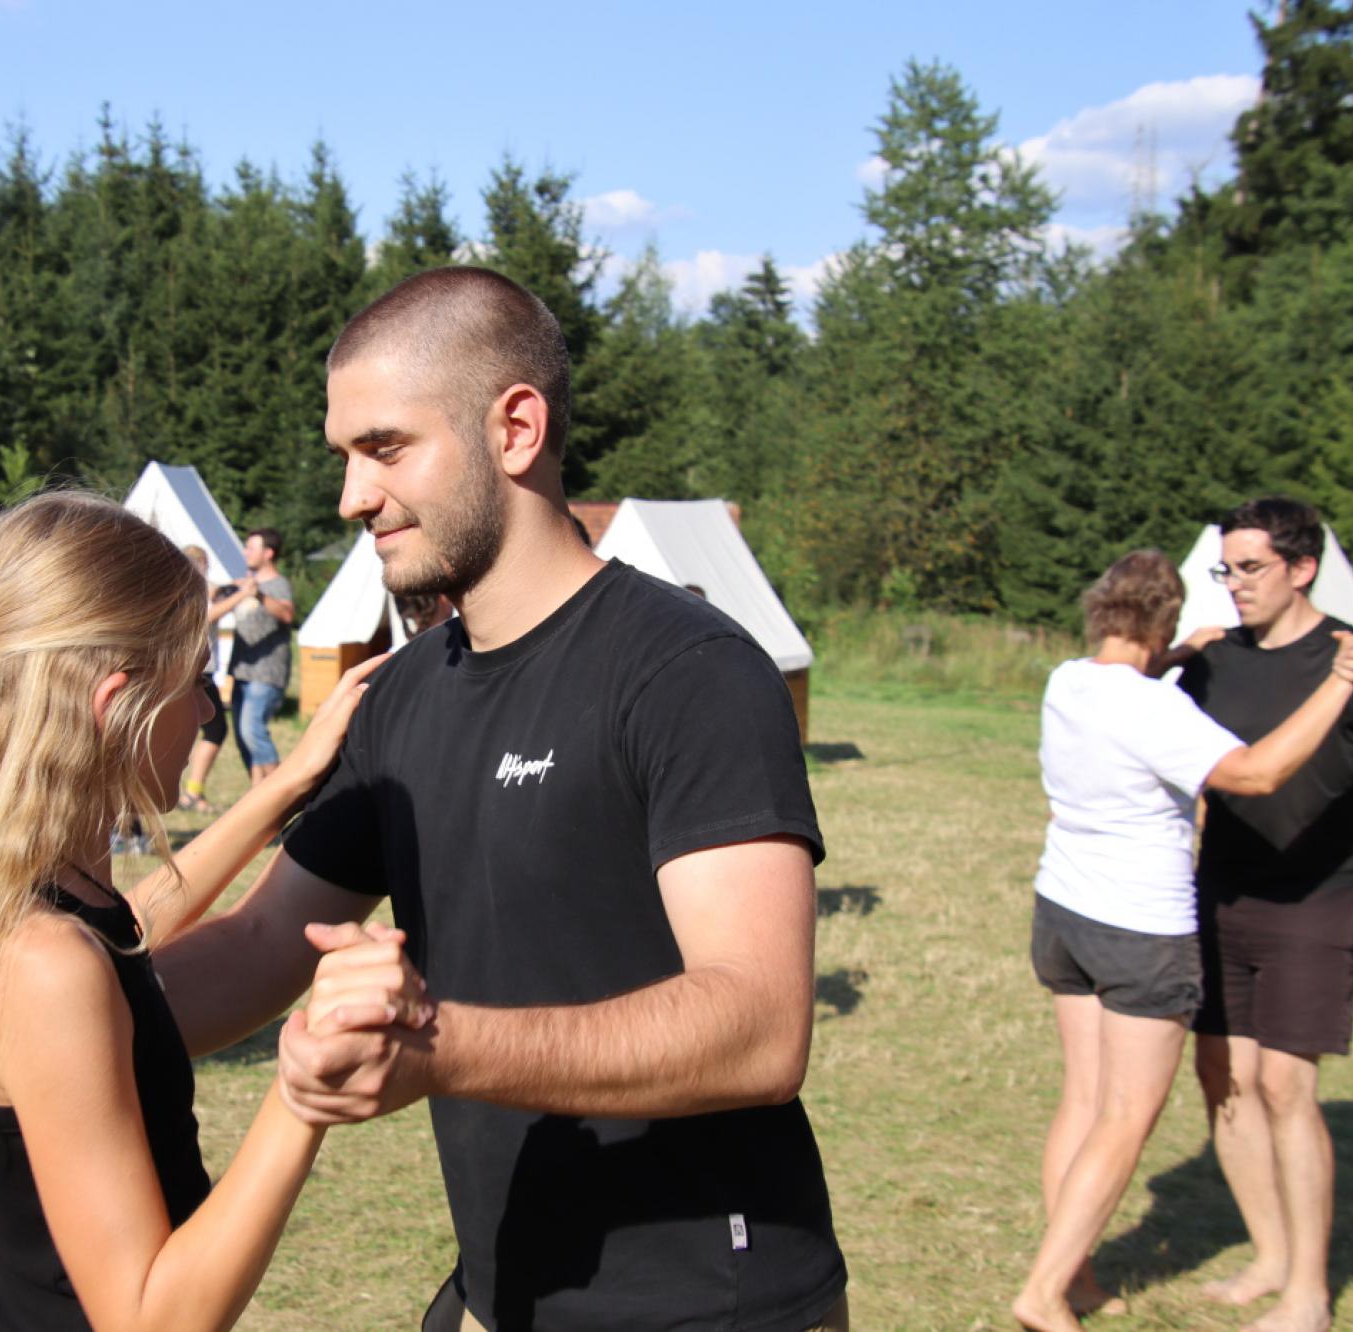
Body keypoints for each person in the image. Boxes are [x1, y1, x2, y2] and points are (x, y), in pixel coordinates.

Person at [152, 266, 849, 1330]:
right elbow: (261, 946)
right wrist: (55, 1017)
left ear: (515, 429)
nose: (351, 497)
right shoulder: (400, 697)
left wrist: (438, 1047)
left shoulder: (688, 671)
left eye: (385, 449)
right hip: (502, 1292)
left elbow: (760, 1027)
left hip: (710, 1309)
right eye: (345, 457)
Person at [0, 492, 404, 1330]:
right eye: (195, 682)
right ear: (114, 704)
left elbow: (132, 933)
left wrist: (287, 787)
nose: (208, 711)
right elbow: (148, 1318)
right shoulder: (46, 965)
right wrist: (303, 1094)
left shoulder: (39, 900)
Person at [1012, 551, 1353, 1332]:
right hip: (1140, 933)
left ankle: (1077, 1281)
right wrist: (1338, 684)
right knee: (1124, 1116)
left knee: (1082, 1100)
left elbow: (1130, 669)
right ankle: (1044, 1292)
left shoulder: (1067, 681)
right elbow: (1256, 773)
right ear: (1163, 622)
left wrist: (1182, 651)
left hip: (1063, 916)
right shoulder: (1158, 711)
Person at [1171, 498, 1353, 1332]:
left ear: (1302, 568)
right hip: (1222, 888)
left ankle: (1309, 1294)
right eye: (1226, 568)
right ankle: (1269, 1258)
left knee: (1285, 1085)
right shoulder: (1216, 656)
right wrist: (1177, 651)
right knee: (1223, 1077)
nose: (1234, 583)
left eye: (1250, 568)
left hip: (1318, 898)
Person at [220, 528, 294, 784]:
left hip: (266, 672)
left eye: (251, 548)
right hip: (241, 671)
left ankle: (281, 792)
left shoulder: (278, 584)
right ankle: (258, 793)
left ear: (268, 553)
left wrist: (259, 594)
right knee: (244, 739)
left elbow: (287, 614)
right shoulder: (246, 584)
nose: (245, 552)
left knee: (252, 730)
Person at [177, 544, 235, 813]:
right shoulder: (187, 590)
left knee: (208, 728)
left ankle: (192, 790)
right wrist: (242, 594)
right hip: (197, 672)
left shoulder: (195, 589)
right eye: (204, 564)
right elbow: (207, 616)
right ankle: (191, 791)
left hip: (201, 671)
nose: (207, 570)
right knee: (213, 729)